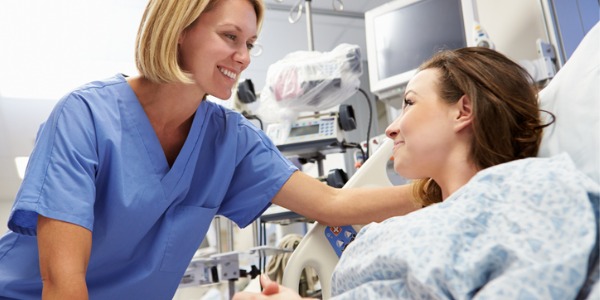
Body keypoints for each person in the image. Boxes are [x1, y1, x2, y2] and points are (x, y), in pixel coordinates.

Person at [0, 0, 417, 299]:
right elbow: (62, 284)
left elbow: (331, 204)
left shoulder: (229, 139)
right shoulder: (85, 117)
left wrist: (441, 189)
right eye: (230, 36)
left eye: (250, 43)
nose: (243, 57)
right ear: (180, 30)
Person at [232, 48, 599, 299]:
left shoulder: (534, 192)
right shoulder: (398, 229)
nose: (391, 130)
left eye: (409, 103)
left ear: (463, 111)